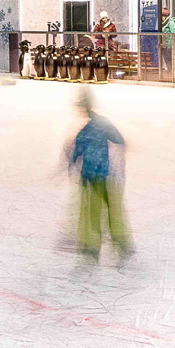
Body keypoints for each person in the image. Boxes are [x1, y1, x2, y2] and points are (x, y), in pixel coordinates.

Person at [65, 90, 132, 259]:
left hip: (92, 176)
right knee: (113, 210)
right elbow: (118, 139)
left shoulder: (87, 130)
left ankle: (92, 245)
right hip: (105, 174)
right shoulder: (102, 124)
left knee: (92, 212)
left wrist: (71, 161)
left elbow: (76, 150)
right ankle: (121, 242)